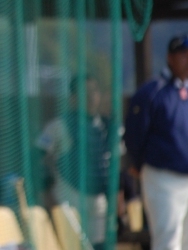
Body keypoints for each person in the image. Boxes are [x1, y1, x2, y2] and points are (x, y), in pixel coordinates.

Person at [124, 32, 188, 250]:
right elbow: (134, 134)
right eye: (185, 55)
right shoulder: (153, 91)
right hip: (164, 178)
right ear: (170, 58)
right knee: (168, 243)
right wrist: (140, 163)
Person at [36, 77, 111, 250]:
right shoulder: (59, 126)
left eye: (94, 92)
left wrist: (119, 199)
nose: (91, 97)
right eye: (85, 93)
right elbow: (36, 158)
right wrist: (46, 190)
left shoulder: (107, 127)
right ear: (73, 98)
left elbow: (116, 167)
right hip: (69, 199)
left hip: (98, 203)